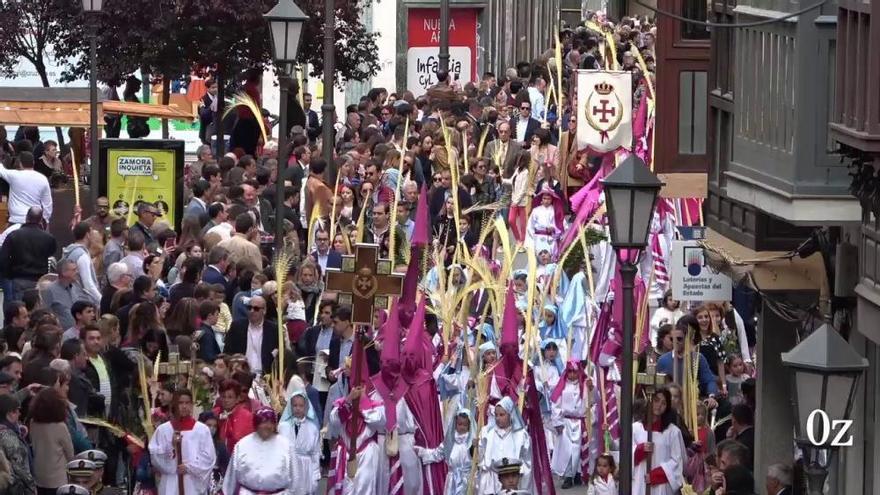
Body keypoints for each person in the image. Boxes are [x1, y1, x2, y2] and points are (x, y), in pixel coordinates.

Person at [148, 389, 217, 495]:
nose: (184, 406)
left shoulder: (202, 430)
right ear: (174, 404)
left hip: (192, 483)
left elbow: (209, 457)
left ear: (191, 405)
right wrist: (171, 446)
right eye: (180, 403)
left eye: (187, 403)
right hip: (170, 481)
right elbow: (155, 457)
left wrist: (189, 468)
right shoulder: (163, 430)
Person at [223, 407, 297, 495]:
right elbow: (231, 478)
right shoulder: (242, 445)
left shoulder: (286, 446)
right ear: (256, 424)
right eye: (264, 422)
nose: (268, 426)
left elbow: (295, 477)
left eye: (271, 422)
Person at [328, 384, 385, 495]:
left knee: (365, 489)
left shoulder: (375, 406)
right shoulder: (340, 404)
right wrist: (348, 401)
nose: (358, 390)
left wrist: (363, 403)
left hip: (366, 455)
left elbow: (380, 421)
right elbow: (334, 421)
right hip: (345, 455)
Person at [632, 388, 686, 495]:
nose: (659, 405)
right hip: (639, 483)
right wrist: (640, 449)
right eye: (656, 400)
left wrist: (657, 475)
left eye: (664, 403)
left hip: (661, 487)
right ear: (650, 400)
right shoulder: (635, 428)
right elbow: (626, 456)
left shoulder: (673, 432)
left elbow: (678, 461)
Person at [0, 205, 56, 301]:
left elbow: (3, 258)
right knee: (37, 310)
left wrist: (9, 275)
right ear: (40, 220)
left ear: (26, 218)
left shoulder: (13, 235)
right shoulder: (49, 238)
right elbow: (51, 253)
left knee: (20, 311)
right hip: (40, 280)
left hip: (19, 278)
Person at [478, 397, 531, 494]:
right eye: (496, 415)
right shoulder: (487, 432)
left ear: (510, 415)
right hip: (491, 481)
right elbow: (479, 456)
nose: (498, 418)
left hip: (513, 480)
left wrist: (523, 484)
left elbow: (527, 461)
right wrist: (475, 448)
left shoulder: (521, 434)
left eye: (502, 415)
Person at [30, 387, 75, 495]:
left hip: (39, 477)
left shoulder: (33, 423)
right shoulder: (61, 427)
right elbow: (70, 454)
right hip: (57, 479)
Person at [278, 391, 322, 495]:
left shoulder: (312, 428)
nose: (298, 408)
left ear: (306, 407)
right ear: (290, 406)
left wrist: (315, 475)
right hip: (289, 468)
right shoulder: (283, 426)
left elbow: (315, 453)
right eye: (295, 405)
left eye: (301, 405)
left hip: (306, 469)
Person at [223, 295, 278, 375]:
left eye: (256, 309)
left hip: (265, 376)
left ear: (264, 311)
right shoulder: (237, 326)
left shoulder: (274, 329)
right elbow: (227, 352)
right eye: (249, 308)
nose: (252, 311)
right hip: (241, 375)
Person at [0, 151, 53, 224]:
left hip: (16, 220)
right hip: (36, 221)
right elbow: (48, 203)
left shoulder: (13, 175)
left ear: (20, 163)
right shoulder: (43, 178)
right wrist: (45, 220)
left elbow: (1, 170)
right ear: (33, 162)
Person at [0, 394, 35, 494]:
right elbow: (19, 467)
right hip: (15, 488)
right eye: (17, 410)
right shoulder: (9, 437)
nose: (20, 413)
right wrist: (32, 487)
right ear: (10, 413)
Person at [62, 223, 102, 305]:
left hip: (71, 298)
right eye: (91, 233)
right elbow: (88, 285)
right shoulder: (82, 255)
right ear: (87, 235)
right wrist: (101, 300)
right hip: (81, 301)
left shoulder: (69, 251)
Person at [41, 260, 86, 330]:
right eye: (74, 270)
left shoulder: (76, 287)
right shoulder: (49, 290)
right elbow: (45, 314)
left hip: (79, 332)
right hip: (61, 333)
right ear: (64, 273)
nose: (77, 272)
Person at [213, 379, 254, 453]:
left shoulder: (247, 417)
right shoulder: (214, 413)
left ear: (238, 398)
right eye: (223, 396)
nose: (226, 400)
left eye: (230, 397)